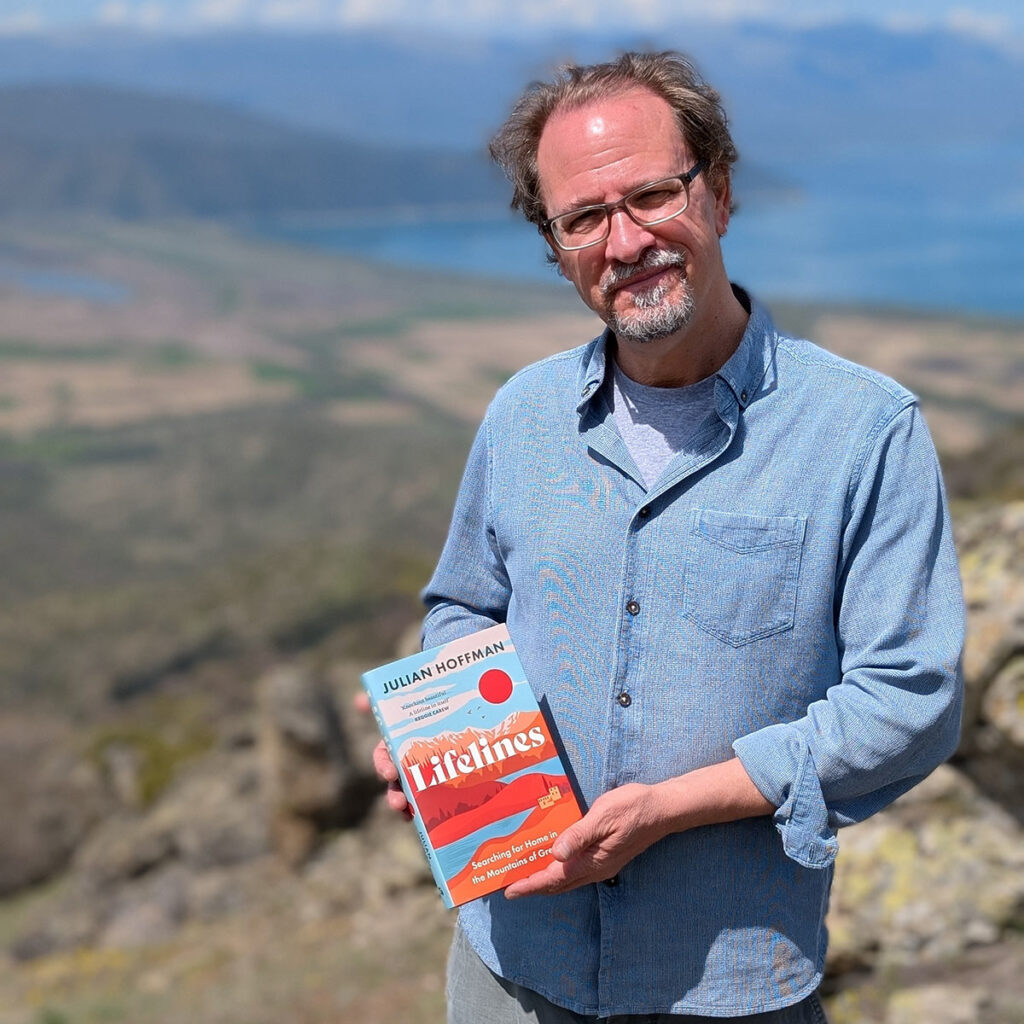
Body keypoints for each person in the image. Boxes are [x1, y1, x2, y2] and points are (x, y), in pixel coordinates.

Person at [372, 51, 964, 1022]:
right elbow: (465, 603)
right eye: (584, 217)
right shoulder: (523, 417)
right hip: (506, 966)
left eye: (651, 194)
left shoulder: (864, 430)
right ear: (555, 246)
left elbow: (912, 698)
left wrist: (675, 806)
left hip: (727, 986)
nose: (625, 239)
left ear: (719, 193)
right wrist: (438, 730)